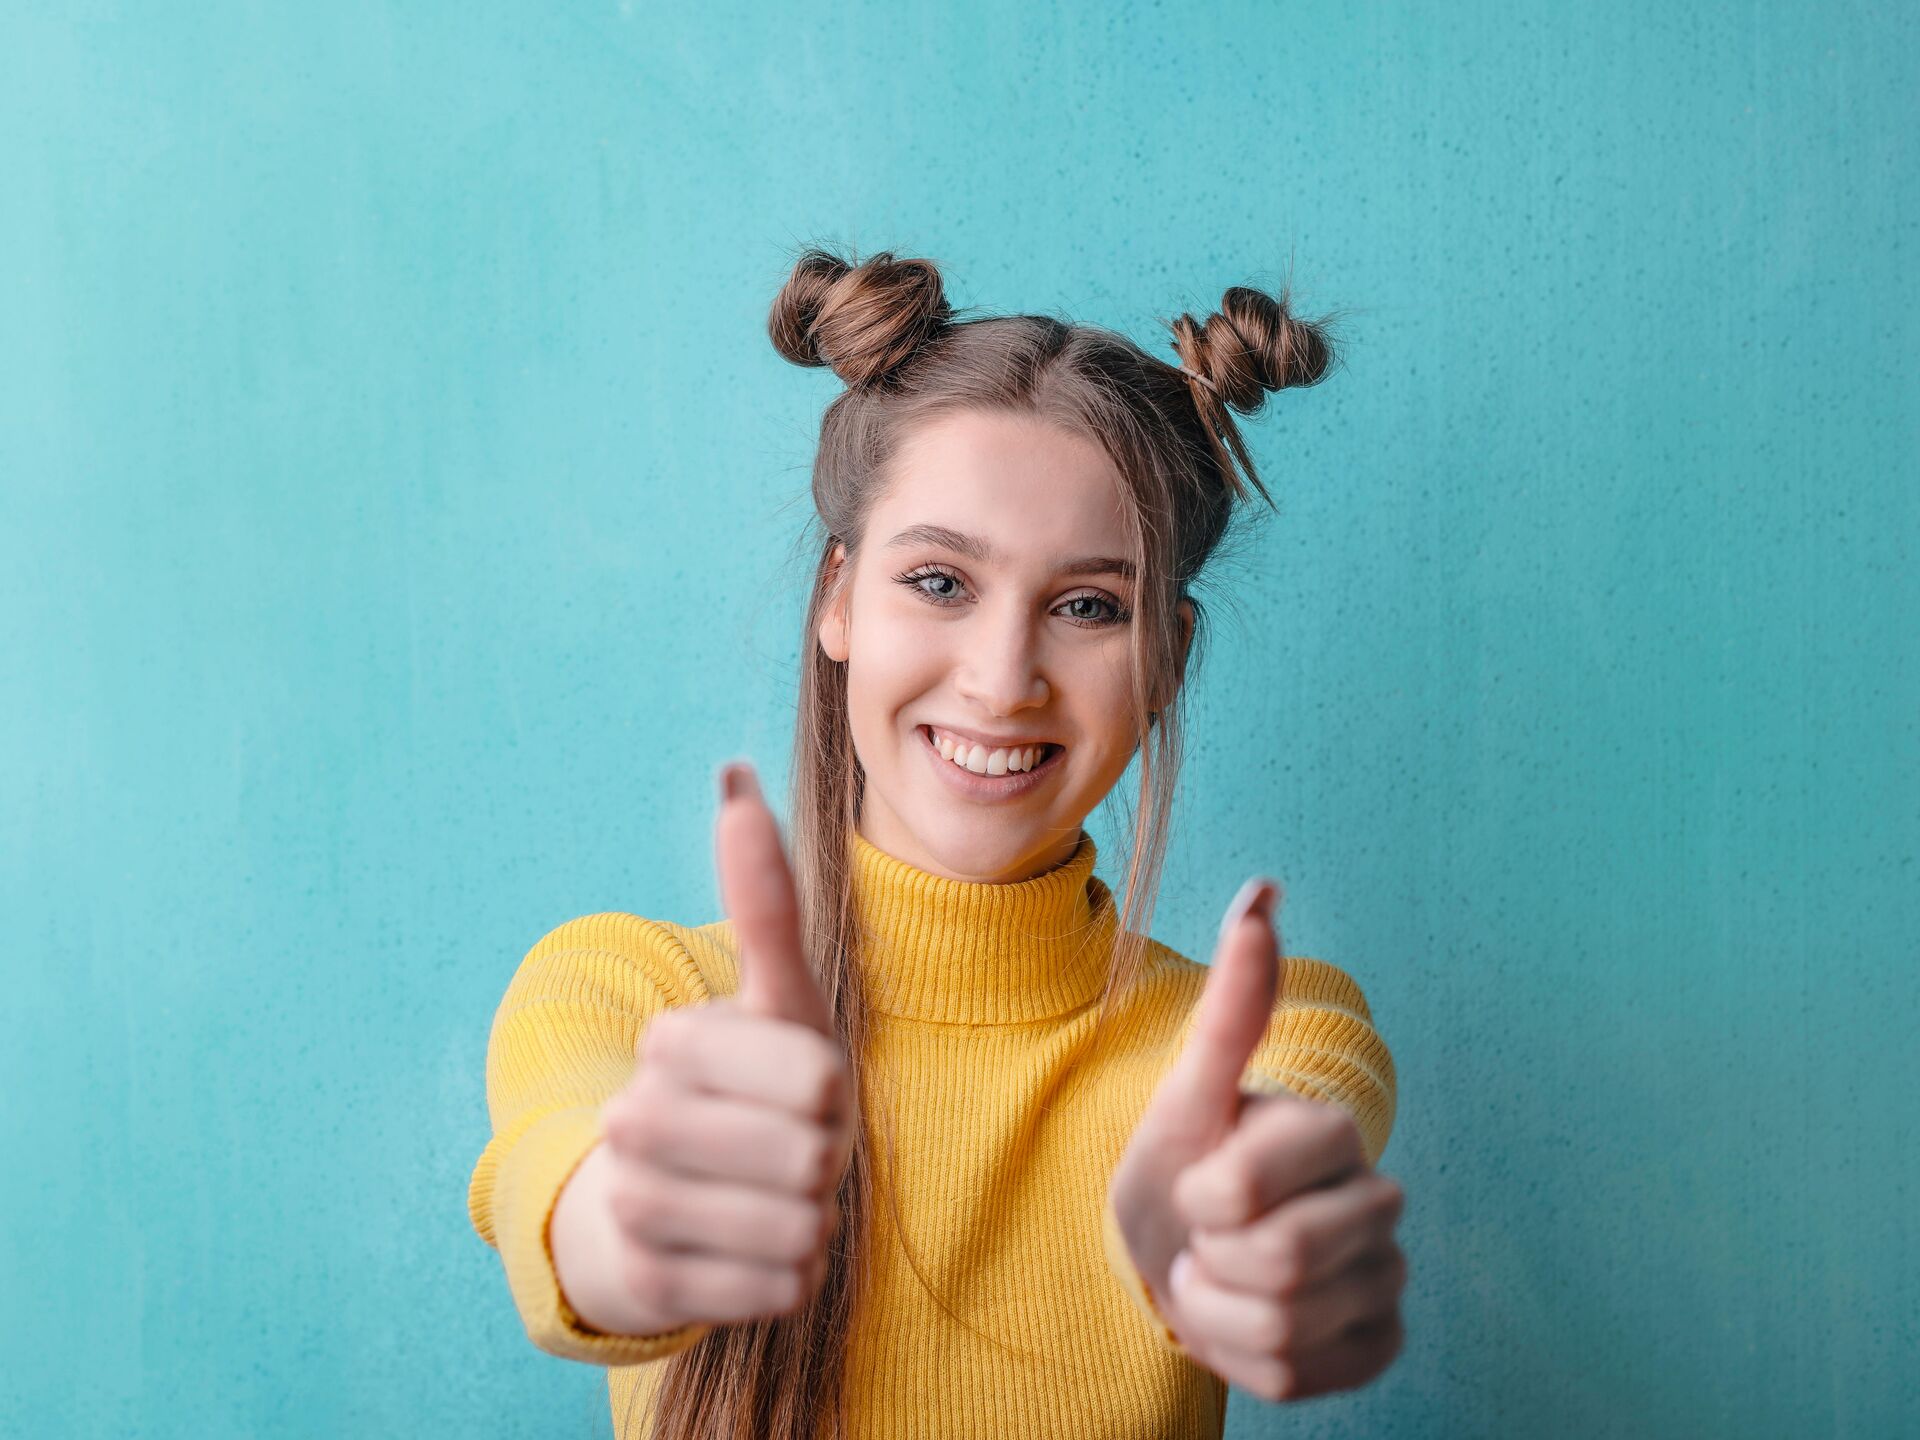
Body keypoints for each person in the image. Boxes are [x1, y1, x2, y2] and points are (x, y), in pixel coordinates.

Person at [466, 246, 1405, 1439]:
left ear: (1164, 655)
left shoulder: (1260, 1028)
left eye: (1087, 607)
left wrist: (1247, 1214)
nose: (1002, 680)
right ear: (840, 598)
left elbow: (1295, 1118)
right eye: (940, 583)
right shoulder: (626, 992)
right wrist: (631, 1224)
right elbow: (572, 1194)